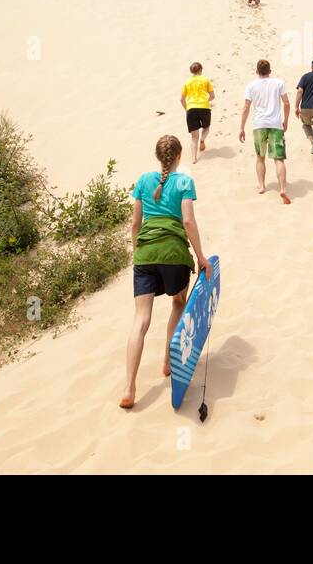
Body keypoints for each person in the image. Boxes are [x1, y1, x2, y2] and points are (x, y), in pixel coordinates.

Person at [121, 135, 211, 409]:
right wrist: (200, 256)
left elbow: (135, 224)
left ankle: (129, 387)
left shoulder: (143, 181)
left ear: (158, 157)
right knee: (178, 302)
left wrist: (138, 252)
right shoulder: (184, 181)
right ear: (179, 156)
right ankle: (168, 361)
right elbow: (187, 221)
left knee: (141, 320)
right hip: (173, 254)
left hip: (146, 253)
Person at [239, 59, 290, 203]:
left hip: (259, 125)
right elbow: (286, 103)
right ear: (270, 71)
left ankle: (261, 185)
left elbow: (246, 107)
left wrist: (241, 127)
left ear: (257, 71)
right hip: (275, 124)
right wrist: (286, 120)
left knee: (260, 157)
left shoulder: (251, 86)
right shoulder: (279, 83)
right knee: (278, 159)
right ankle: (283, 189)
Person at [180, 62, 215, 163]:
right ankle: (203, 139)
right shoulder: (205, 79)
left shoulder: (187, 82)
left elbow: (181, 99)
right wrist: (206, 101)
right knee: (206, 127)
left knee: (194, 136)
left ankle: (194, 158)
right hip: (204, 107)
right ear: (201, 69)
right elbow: (212, 96)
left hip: (191, 109)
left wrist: (187, 109)